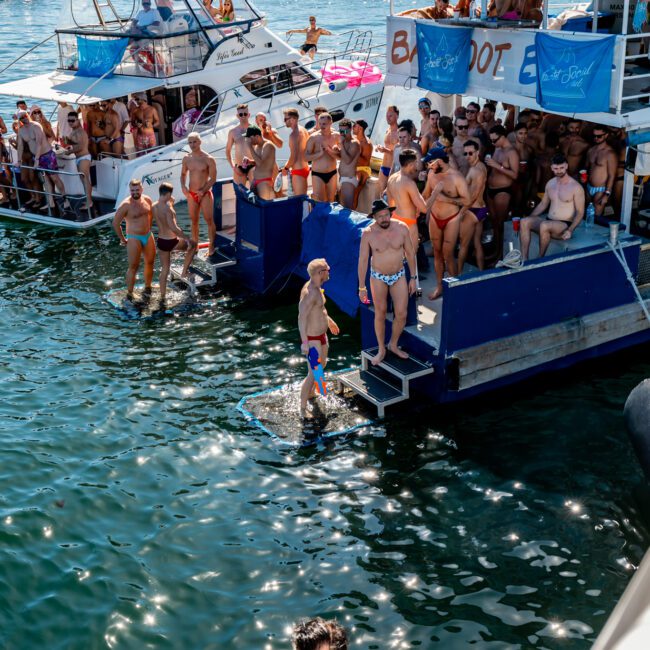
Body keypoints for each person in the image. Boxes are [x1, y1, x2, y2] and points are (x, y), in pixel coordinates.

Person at [358, 199, 417, 365]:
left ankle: (393, 344)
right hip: (378, 277)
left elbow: (411, 254)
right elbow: (363, 260)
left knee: (401, 313)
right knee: (381, 312)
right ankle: (381, 349)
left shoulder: (402, 228)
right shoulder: (368, 233)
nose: (384, 219)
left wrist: (413, 278)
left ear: (390, 213)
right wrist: (362, 287)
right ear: (374, 217)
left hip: (399, 275)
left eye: (386, 215)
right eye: (380, 216)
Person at [423, 150, 471, 300]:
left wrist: (446, 198)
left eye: (431, 162)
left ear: (439, 161)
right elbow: (425, 194)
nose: (428, 165)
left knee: (448, 254)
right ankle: (440, 287)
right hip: (435, 217)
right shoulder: (431, 174)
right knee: (437, 252)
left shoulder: (456, 177)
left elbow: (467, 201)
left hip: (452, 218)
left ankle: (454, 288)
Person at [520, 153, 585, 260]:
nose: (559, 171)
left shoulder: (576, 187)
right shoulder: (550, 183)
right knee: (524, 221)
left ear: (567, 166)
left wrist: (570, 230)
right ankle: (524, 259)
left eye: (562, 168)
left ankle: (539, 260)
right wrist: (531, 217)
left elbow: (580, 212)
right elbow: (543, 204)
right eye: (556, 168)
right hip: (548, 221)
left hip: (564, 226)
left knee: (545, 225)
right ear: (551, 168)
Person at [298, 258, 339, 418]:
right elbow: (301, 318)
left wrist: (329, 321)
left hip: (321, 335)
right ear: (320, 273)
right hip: (312, 338)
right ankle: (302, 408)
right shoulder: (310, 293)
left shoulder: (317, 288)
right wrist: (305, 343)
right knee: (313, 372)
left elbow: (320, 310)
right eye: (327, 270)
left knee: (323, 365)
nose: (329, 272)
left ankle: (313, 392)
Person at [152, 182, 197, 301]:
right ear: (168, 194)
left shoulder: (154, 206)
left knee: (165, 269)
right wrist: (186, 238)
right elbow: (174, 228)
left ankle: (162, 296)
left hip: (161, 241)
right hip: (171, 241)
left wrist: (170, 203)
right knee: (193, 245)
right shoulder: (167, 209)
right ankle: (184, 272)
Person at [112, 178, 156, 301]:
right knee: (133, 266)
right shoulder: (126, 205)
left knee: (150, 262)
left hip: (147, 235)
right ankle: (130, 293)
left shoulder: (147, 199)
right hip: (133, 237)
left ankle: (148, 287)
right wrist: (122, 239)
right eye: (132, 190)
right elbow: (115, 223)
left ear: (141, 189)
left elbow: (150, 215)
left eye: (137, 189)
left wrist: (149, 228)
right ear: (130, 190)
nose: (135, 192)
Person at [387, 149, 430, 255]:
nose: (417, 165)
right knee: (410, 260)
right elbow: (425, 208)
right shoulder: (409, 183)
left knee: (396, 258)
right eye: (416, 162)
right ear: (410, 164)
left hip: (395, 220)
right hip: (408, 224)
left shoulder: (392, 178)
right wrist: (435, 192)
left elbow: (390, 203)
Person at [180, 131, 217, 256]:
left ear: (200, 142)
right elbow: (183, 174)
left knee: (209, 220)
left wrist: (203, 190)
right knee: (194, 220)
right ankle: (194, 246)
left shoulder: (208, 159)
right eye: (190, 142)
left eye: (194, 141)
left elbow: (213, 178)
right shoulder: (186, 158)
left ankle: (211, 246)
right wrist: (183, 186)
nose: (192, 144)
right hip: (192, 194)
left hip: (205, 194)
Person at [485, 124, 519, 261]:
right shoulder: (497, 148)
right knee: (494, 222)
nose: (493, 143)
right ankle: (496, 249)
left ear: (503, 136)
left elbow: (515, 175)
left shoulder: (512, 152)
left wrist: (496, 166)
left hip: (503, 191)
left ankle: (501, 254)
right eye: (491, 140)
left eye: (495, 140)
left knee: (501, 223)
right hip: (491, 190)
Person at [458, 140, 487, 274]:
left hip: (473, 210)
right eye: (465, 154)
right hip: (481, 210)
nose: (468, 156)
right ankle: (481, 272)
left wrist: (462, 212)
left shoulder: (476, 170)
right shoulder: (481, 166)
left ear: (477, 152)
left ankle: (457, 275)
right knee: (477, 243)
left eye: (470, 153)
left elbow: (473, 195)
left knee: (463, 245)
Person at [305, 112, 340, 202]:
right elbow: (306, 157)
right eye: (320, 124)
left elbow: (341, 157)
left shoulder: (336, 136)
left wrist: (333, 151)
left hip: (332, 173)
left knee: (331, 200)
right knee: (320, 202)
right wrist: (319, 154)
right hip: (318, 174)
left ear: (331, 122)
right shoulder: (313, 137)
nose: (321, 126)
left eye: (324, 124)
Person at [586, 126, 617, 220]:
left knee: (596, 218)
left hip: (601, 190)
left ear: (606, 135)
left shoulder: (610, 154)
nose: (596, 138)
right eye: (594, 136)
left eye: (599, 136)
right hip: (588, 187)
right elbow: (586, 168)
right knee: (586, 215)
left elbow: (612, 176)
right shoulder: (591, 150)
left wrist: (607, 194)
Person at [282, 107, 310, 196]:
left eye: (286, 119)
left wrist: (286, 168)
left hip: (298, 171)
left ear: (293, 119)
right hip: (305, 167)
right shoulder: (304, 130)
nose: (284, 121)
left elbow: (293, 157)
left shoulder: (293, 135)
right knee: (304, 199)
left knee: (300, 200)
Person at [244, 125, 276, 200]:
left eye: (250, 138)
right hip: (256, 181)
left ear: (257, 136)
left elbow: (261, 164)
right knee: (257, 209)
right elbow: (258, 162)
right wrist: (250, 161)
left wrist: (249, 147)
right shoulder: (257, 146)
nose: (249, 140)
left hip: (264, 182)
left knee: (265, 208)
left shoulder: (268, 145)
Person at [335, 118, 360, 210]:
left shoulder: (354, 143)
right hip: (343, 179)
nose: (342, 133)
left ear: (350, 130)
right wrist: (332, 151)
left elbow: (348, 160)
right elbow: (341, 158)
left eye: (345, 131)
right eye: (340, 131)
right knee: (342, 209)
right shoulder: (345, 141)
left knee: (347, 210)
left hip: (349, 179)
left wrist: (341, 144)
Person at [226, 103, 252, 185]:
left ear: (249, 115)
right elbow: (228, 151)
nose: (243, 116)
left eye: (245, 114)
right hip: (239, 166)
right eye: (241, 114)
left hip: (253, 165)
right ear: (237, 116)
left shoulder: (255, 129)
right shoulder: (232, 132)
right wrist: (234, 167)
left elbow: (262, 148)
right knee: (240, 194)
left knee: (257, 191)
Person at [376, 105, 400, 196]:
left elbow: (400, 153)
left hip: (393, 168)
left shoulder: (400, 133)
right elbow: (388, 147)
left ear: (397, 116)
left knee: (390, 197)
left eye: (390, 115)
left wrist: (385, 150)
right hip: (383, 167)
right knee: (381, 195)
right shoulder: (388, 130)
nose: (388, 118)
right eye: (387, 115)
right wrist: (380, 148)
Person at [353, 119, 373, 209]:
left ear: (360, 128)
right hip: (354, 168)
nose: (352, 127)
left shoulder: (366, 143)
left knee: (354, 193)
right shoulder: (354, 139)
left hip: (363, 170)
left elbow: (365, 162)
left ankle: (351, 214)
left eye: (354, 126)